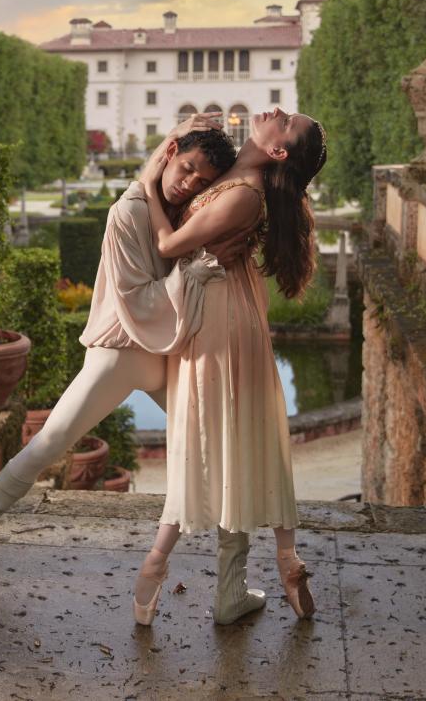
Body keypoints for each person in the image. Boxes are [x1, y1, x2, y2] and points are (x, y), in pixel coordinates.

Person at [0, 115, 246, 573]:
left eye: (202, 180)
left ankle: (234, 576)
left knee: (222, 440)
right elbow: (134, 298)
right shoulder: (128, 211)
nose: (189, 183)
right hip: (119, 354)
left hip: (163, 353)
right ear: (171, 154)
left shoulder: (180, 211)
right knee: (48, 442)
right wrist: (196, 270)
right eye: (187, 167)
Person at [131, 107, 327, 626]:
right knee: (227, 442)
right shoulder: (233, 177)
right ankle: (243, 585)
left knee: (207, 441)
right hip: (219, 313)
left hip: (221, 322)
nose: (274, 111)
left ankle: (155, 567)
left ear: (279, 150)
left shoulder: (243, 193)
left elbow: (170, 243)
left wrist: (149, 185)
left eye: (283, 121)